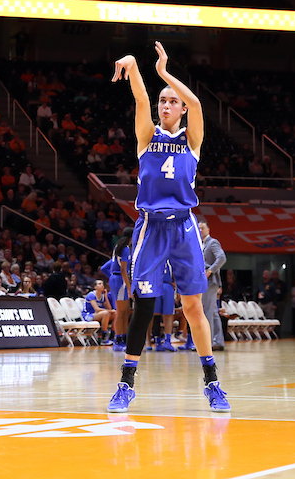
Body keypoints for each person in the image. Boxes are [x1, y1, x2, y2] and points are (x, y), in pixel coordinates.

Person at [105, 42, 229, 413]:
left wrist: (164, 72)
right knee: (144, 304)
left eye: (172, 101)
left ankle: (212, 383)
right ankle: (126, 384)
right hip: (150, 227)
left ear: (182, 108)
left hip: (185, 228)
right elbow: (140, 100)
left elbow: (199, 104)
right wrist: (135, 68)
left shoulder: (192, 141)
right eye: (163, 100)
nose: (165, 104)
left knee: (193, 307)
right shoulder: (148, 137)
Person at [99, 228, 132, 351]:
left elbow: (104, 268)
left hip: (116, 279)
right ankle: (118, 341)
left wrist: (112, 278)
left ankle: (122, 338)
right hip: (120, 280)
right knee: (121, 312)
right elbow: (123, 270)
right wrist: (129, 287)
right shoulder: (126, 249)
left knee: (125, 312)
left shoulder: (117, 247)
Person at [200, 220, 226, 351]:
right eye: (198, 229)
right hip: (208, 282)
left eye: (202, 228)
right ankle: (218, 341)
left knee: (208, 312)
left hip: (210, 282)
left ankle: (208, 344)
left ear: (208, 230)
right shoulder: (202, 244)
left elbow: (222, 258)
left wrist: (209, 271)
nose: (200, 231)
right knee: (214, 313)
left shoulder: (212, 242)